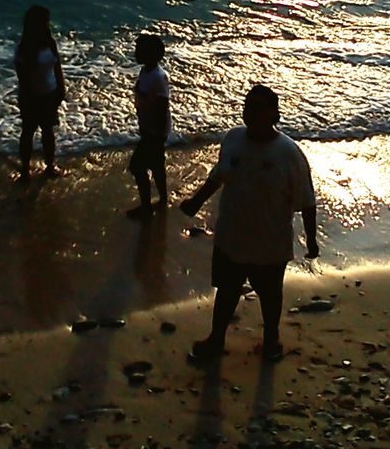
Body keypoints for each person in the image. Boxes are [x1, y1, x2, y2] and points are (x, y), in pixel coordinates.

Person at [179, 84, 318, 363]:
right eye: (247, 105)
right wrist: (195, 201)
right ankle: (216, 340)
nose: (250, 112)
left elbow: (306, 199)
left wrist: (312, 241)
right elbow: (219, 176)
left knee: (270, 295)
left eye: (258, 107)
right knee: (227, 292)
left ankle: (271, 341)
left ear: (274, 115)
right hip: (231, 236)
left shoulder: (288, 153)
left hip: (270, 241)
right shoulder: (232, 139)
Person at [13, 5, 66, 181]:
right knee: (28, 131)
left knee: (48, 131)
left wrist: (61, 87)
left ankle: (49, 165)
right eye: (45, 22)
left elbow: (57, 66)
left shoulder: (50, 42)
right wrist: (33, 98)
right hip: (31, 96)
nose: (48, 25)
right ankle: (25, 170)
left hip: (50, 93)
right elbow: (23, 78)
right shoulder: (24, 49)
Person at [126, 33, 171, 218]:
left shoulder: (157, 78)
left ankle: (146, 207)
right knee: (156, 164)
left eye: (140, 50)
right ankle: (163, 198)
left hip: (155, 131)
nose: (136, 53)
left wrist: (157, 135)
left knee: (137, 166)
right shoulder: (146, 71)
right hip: (150, 128)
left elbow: (162, 107)